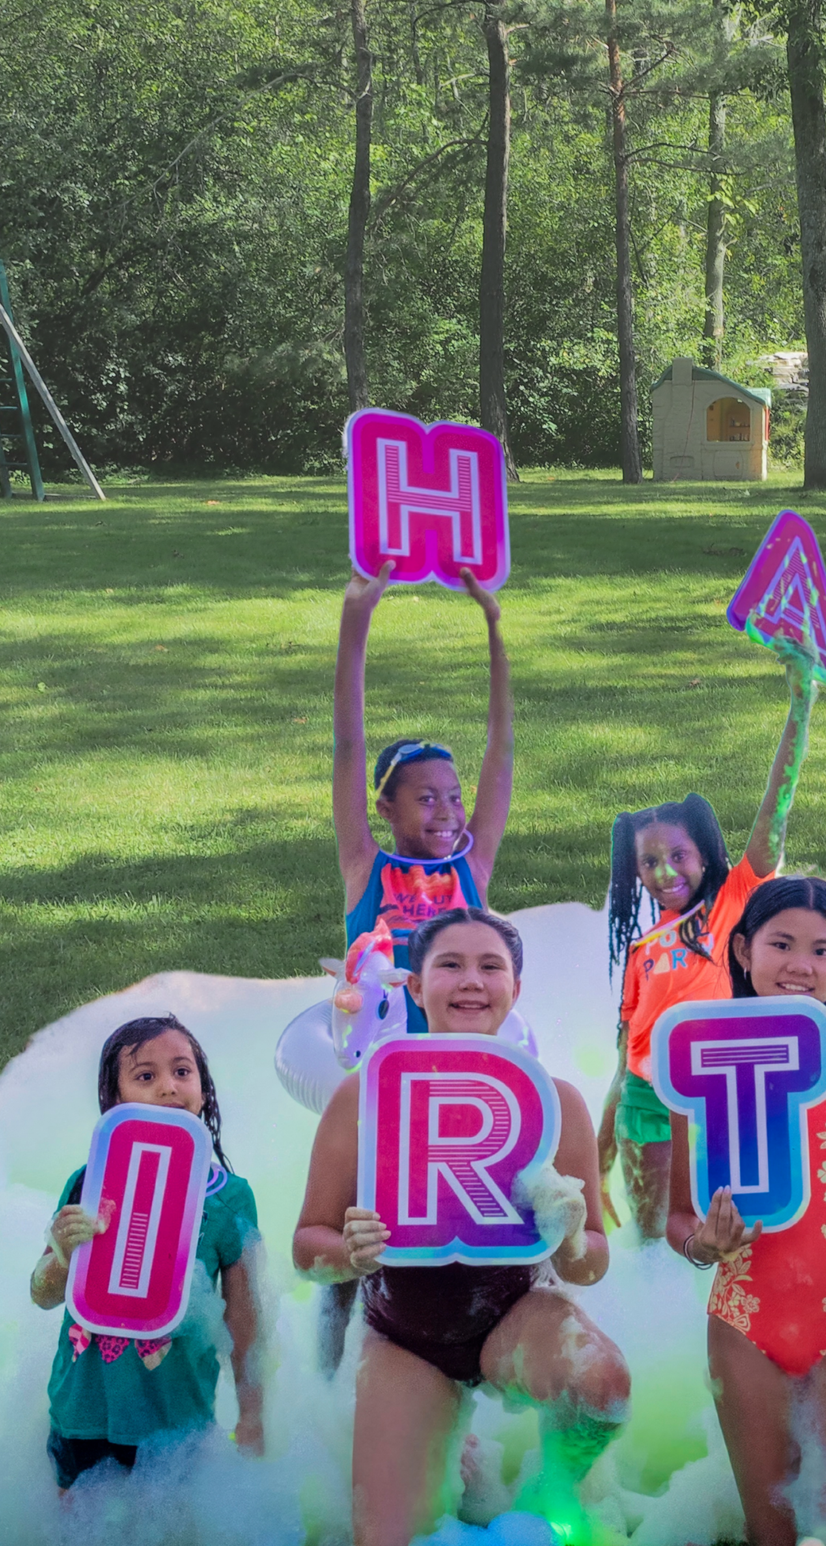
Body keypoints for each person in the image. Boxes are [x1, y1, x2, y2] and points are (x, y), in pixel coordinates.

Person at [294, 907, 627, 1546]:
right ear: (415, 988)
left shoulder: (555, 1103)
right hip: (405, 1337)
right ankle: (453, 1447)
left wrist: (570, 1231)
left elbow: (590, 1263)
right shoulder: (366, 1096)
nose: (471, 980)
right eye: (449, 965)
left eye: (490, 966)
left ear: (515, 989)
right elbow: (307, 1244)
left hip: (514, 1318)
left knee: (603, 1387)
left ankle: (550, 1495)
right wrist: (351, 1254)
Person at [665, 878, 826, 1546]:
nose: (801, 964)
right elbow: (679, 1217)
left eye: (823, 950)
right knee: (774, 1533)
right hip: (744, 1322)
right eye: (782, 944)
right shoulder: (700, 1064)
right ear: (743, 950)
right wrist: (703, 1245)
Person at [597, 650, 819, 1240]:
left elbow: (777, 808)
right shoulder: (643, 948)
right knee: (654, 1243)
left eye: (678, 855)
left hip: (723, 1091)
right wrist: (599, 1158)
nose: (665, 871)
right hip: (645, 1107)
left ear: (705, 855)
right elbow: (625, 1060)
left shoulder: (736, 902)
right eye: (649, 862)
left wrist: (801, 705)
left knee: (724, 1229)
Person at [28, 1016, 265, 1490]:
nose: (168, 1088)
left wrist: (253, 1413)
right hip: (81, 1409)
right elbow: (43, 1295)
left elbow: (243, 1316)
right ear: (115, 1102)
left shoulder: (229, 1197)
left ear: (204, 1090)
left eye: (182, 1072)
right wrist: (61, 1249)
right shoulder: (88, 1182)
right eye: (145, 1076)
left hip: (175, 1417)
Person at [334, 559, 513, 1025]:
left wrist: (494, 625)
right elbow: (348, 745)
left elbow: (502, 746)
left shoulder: (471, 866)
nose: (448, 814)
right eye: (427, 799)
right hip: (386, 1064)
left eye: (455, 797)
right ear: (386, 808)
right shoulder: (366, 868)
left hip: (462, 1058)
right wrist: (356, 617)